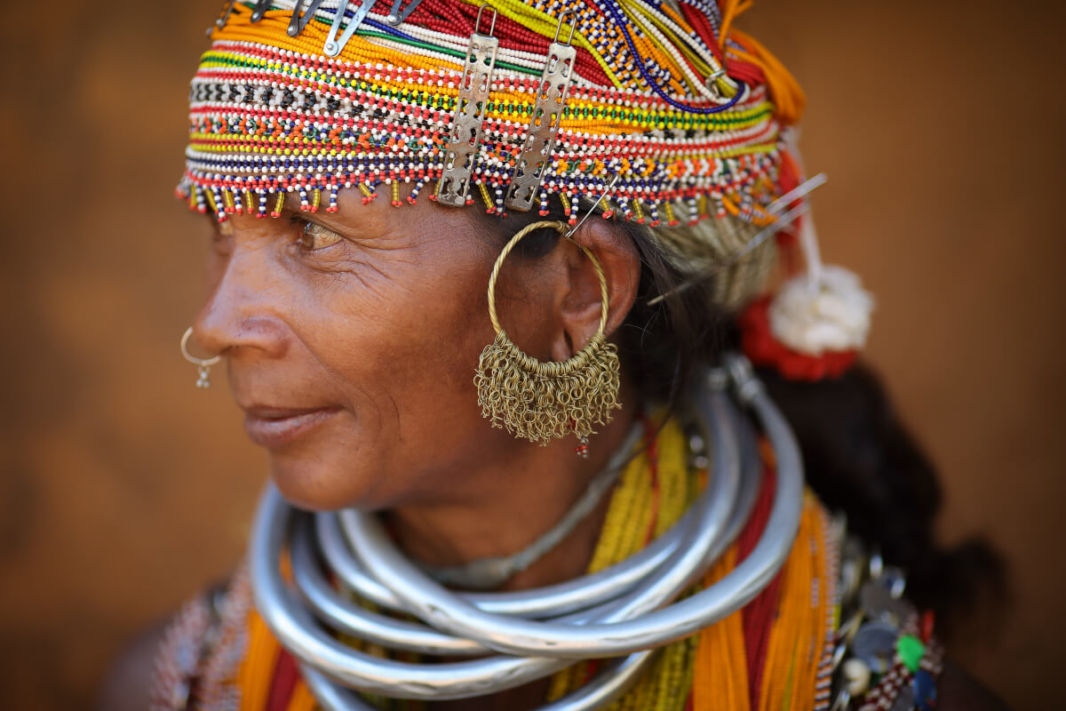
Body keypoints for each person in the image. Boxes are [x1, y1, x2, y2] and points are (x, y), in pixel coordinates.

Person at [101, 0, 1006, 709]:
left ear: (577, 289)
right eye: (221, 233)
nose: (219, 322)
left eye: (314, 230)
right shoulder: (180, 688)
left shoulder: (848, 687)